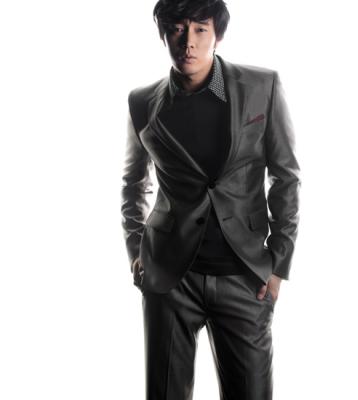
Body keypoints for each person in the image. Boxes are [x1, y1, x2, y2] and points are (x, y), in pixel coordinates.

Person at [120, 0, 301, 399]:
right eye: (177, 29)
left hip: (244, 277)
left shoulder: (263, 86)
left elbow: (286, 176)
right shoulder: (142, 102)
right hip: (170, 280)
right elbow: (133, 183)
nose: (188, 42)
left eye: (200, 29)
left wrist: (278, 263)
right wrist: (137, 252)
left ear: (217, 34)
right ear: (164, 34)